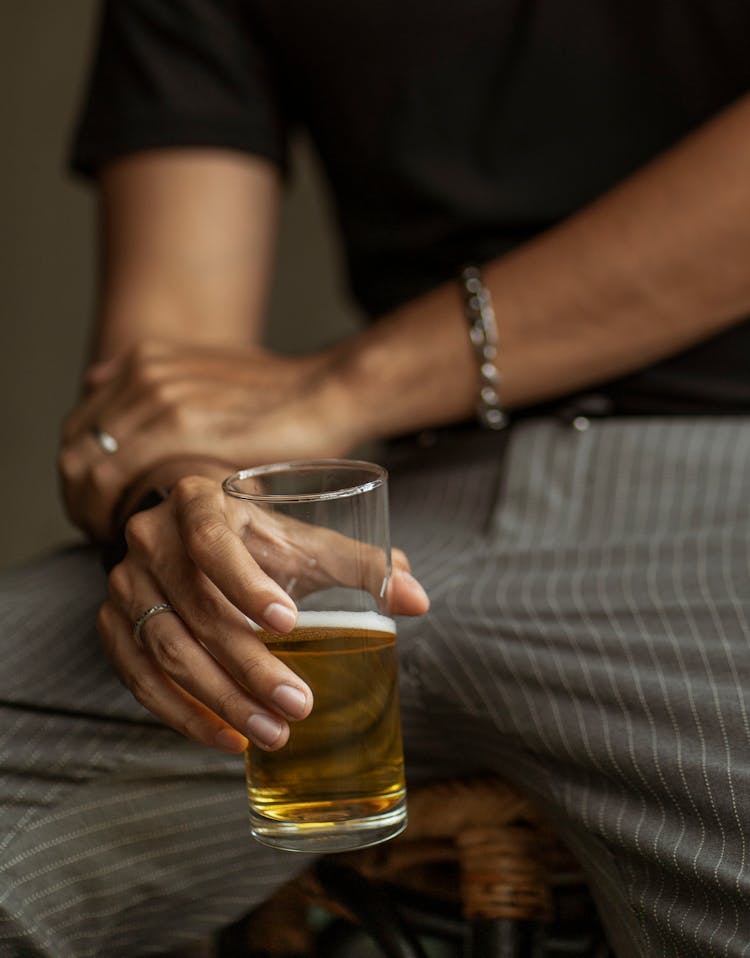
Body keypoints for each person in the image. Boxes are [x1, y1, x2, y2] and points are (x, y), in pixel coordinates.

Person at [2, 1, 750, 955]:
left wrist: (346, 385)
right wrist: (193, 508)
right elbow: (171, 371)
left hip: (720, 492)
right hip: (379, 524)